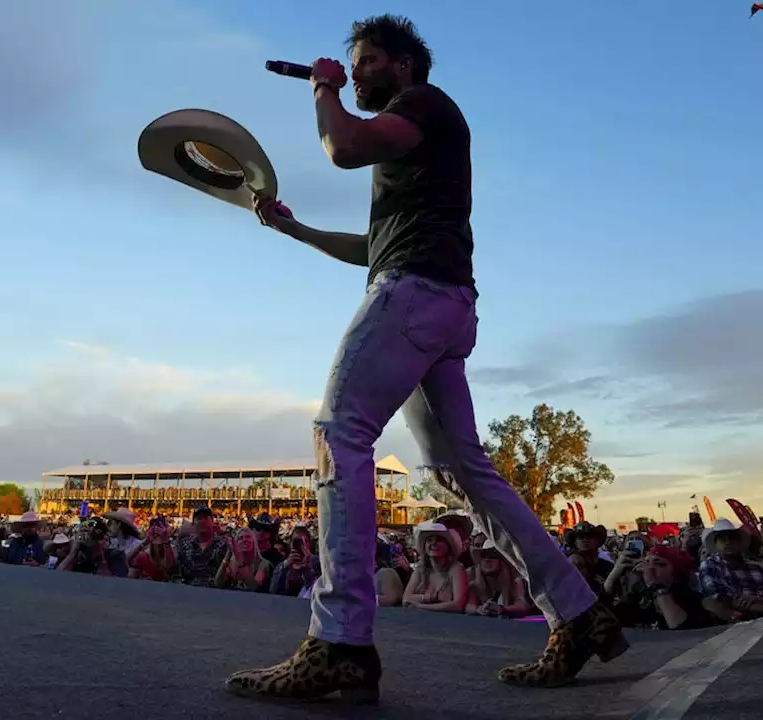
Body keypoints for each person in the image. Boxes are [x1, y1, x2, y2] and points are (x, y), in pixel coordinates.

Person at [228, 13, 625, 703]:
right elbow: (370, 245)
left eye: (368, 60)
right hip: (438, 303)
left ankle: (340, 639)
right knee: (460, 469)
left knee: (338, 432)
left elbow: (341, 148)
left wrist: (322, 90)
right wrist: (294, 229)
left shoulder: (423, 107)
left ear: (406, 66)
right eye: (349, 65)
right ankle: (580, 612)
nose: (354, 72)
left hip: (413, 295)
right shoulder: (408, 150)